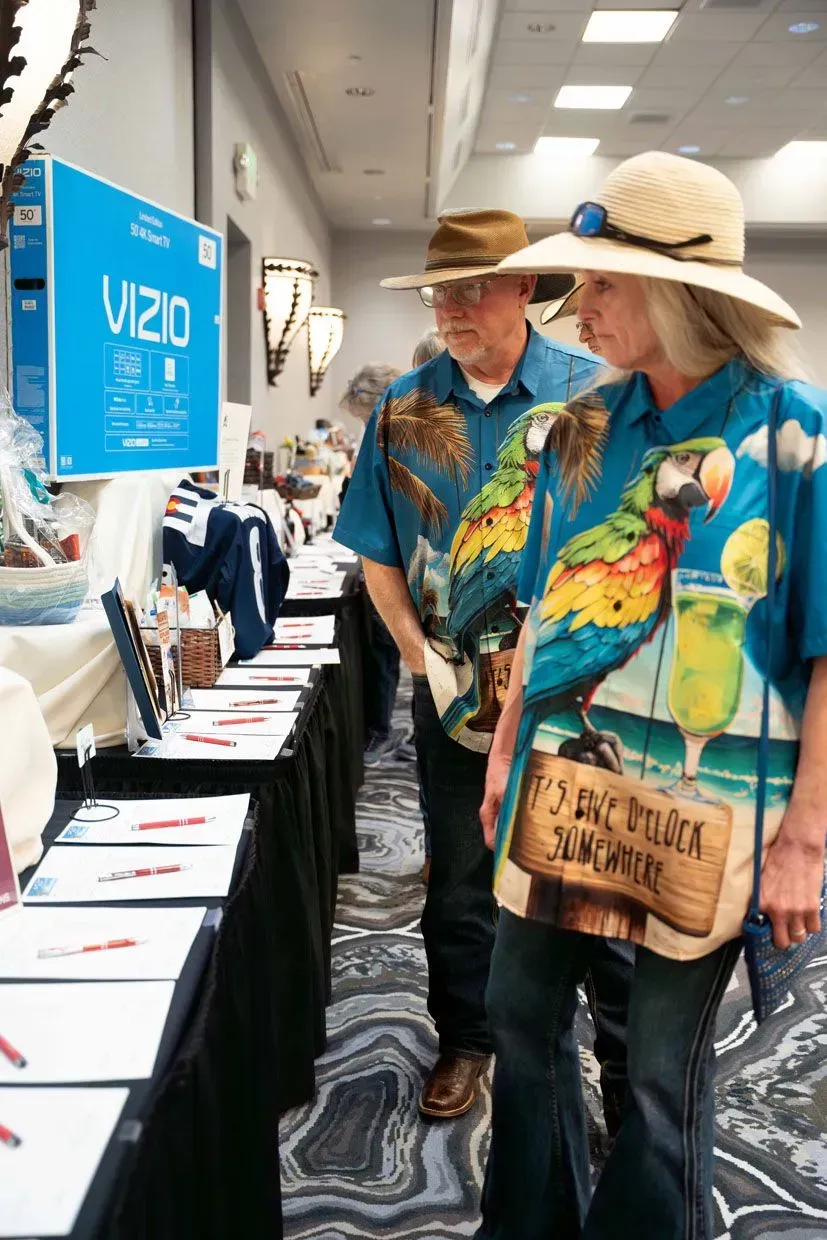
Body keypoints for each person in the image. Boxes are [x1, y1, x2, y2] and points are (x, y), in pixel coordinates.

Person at [476, 151, 827, 1238]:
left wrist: (804, 838)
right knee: (518, 1019)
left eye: (604, 283)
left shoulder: (795, 436)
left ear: (676, 297)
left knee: (657, 1073)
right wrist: (498, 756)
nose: (578, 307)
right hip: (562, 787)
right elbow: (537, 613)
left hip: (710, 820)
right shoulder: (575, 432)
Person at [335, 209, 634, 1126]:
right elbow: (375, 546)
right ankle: (465, 1039)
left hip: (584, 693)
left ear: (523, 292)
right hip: (457, 692)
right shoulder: (404, 407)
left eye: (473, 288)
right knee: (461, 876)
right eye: (440, 291)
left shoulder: (600, 397)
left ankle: (622, 1071)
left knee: (595, 877)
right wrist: (416, 653)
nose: (454, 308)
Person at [339, 364, 405, 763]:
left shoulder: (394, 430)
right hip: (386, 556)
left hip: (392, 561)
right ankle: (380, 729)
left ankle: (380, 732)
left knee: (385, 650)